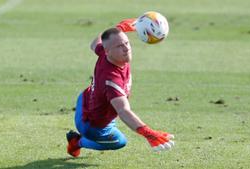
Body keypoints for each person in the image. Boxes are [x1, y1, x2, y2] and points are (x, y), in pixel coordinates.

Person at [66, 18, 175, 157]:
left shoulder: (105, 53)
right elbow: (123, 110)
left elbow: (94, 44)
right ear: (108, 51)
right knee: (120, 142)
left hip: (85, 99)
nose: (126, 48)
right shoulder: (111, 79)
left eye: (127, 43)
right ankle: (77, 142)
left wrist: (118, 28)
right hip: (92, 125)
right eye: (119, 46)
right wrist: (149, 133)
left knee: (108, 110)